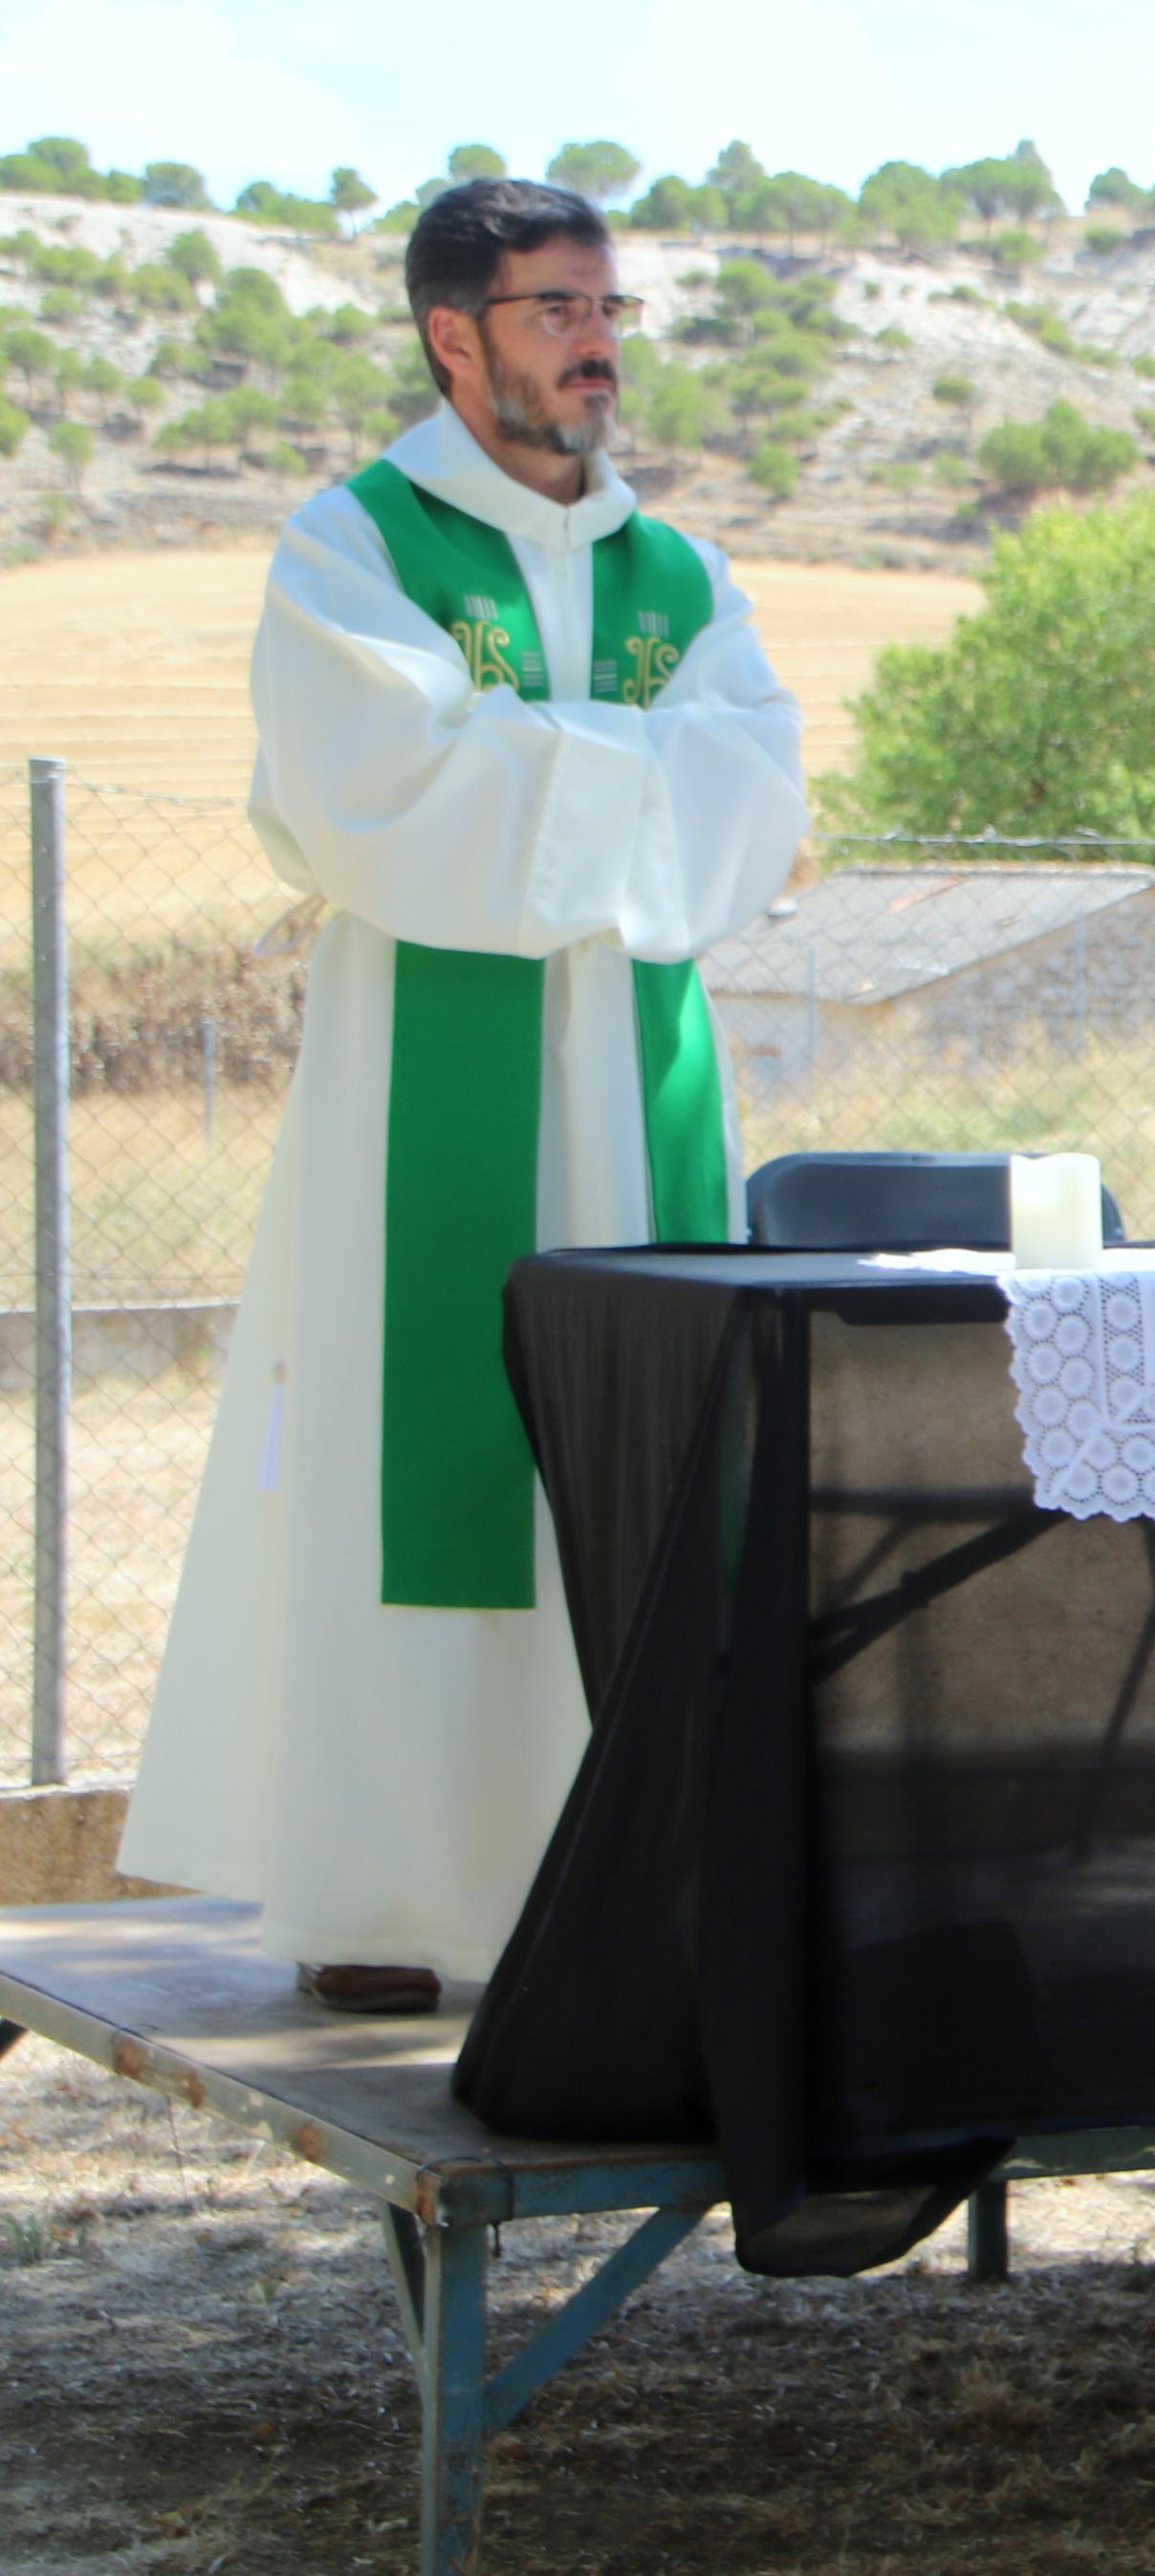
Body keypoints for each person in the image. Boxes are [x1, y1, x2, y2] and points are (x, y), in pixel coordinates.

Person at [119, 179, 808, 2009]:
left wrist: (538, 777)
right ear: (456, 333)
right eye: (558, 307)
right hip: (424, 1065)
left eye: (608, 306)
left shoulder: (685, 573)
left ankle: (627, 1879)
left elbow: (757, 802)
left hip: (640, 1062)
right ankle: (399, 1897)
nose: (597, 341)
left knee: (648, 1460)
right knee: (418, 1461)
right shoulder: (353, 546)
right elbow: (379, 793)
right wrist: (630, 787)